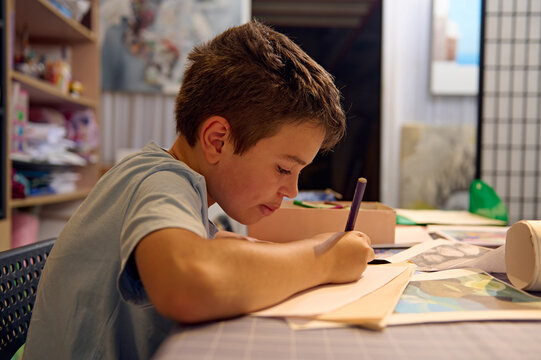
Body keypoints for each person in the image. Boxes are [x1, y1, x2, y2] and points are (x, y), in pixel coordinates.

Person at [23, 20, 375, 359]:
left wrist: (315, 248)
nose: (292, 189)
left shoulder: (166, 181)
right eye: (284, 168)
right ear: (218, 140)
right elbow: (188, 281)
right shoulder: (161, 181)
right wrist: (323, 262)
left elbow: (224, 251)